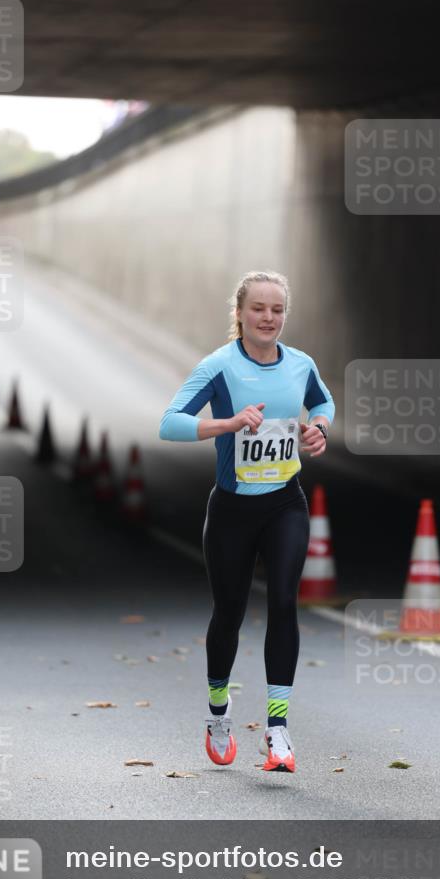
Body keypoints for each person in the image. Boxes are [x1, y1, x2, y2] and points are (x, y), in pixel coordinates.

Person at [159, 271, 334, 772]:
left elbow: (322, 402)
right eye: (258, 308)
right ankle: (219, 711)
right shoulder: (219, 366)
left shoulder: (300, 365)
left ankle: (277, 730)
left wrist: (319, 429)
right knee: (229, 612)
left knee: (283, 600)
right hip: (233, 509)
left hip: (285, 502)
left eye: (277, 310)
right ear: (239, 313)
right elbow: (169, 422)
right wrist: (228, 424)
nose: (268, 318)